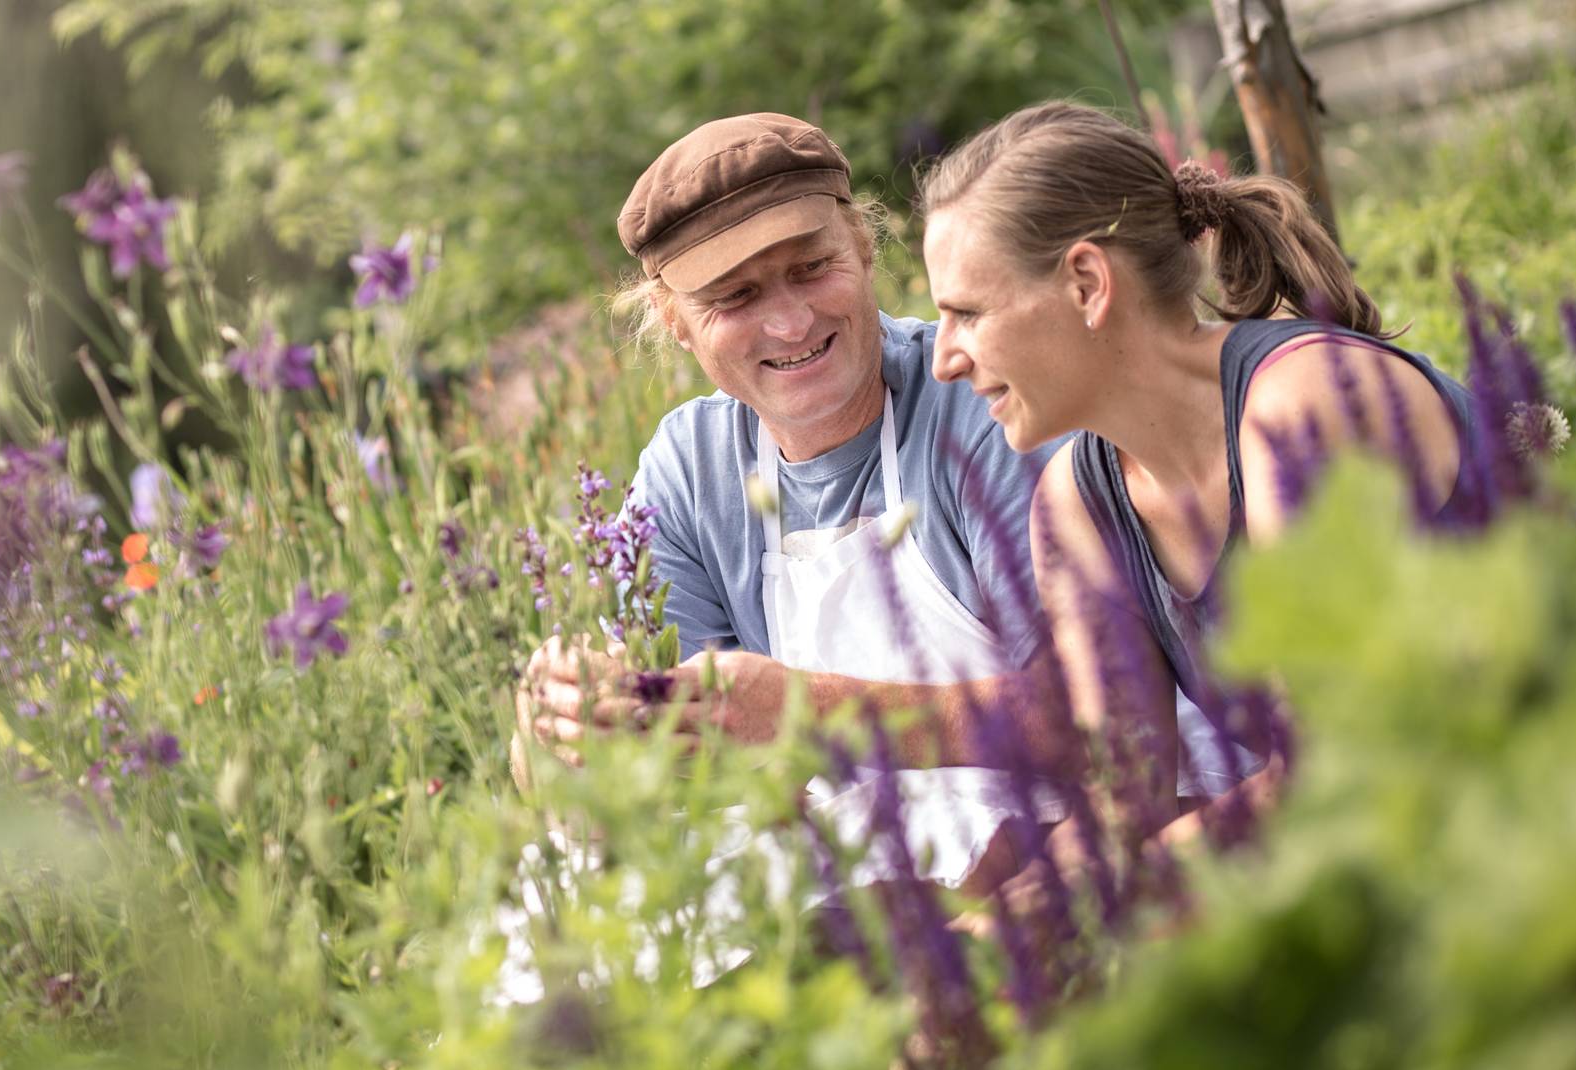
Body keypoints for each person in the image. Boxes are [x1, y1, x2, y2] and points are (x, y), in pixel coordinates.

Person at [513, 113, 1249, 893]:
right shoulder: (689, 471)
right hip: (868, 863)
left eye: (811, 266)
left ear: (863, 247)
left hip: (1078, 835)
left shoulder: (994, 397)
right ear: (675, 323)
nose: (791, 320)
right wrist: (564, 729)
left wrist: (816, 712)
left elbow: (1107, 725)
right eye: (736, 296)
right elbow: (682, 762)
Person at [914, 100, 1479, 887]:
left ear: (1085, 282)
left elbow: (1353, 760)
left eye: (966, 314)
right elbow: (1124, 797)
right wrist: (1009, 926)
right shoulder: (1077, 505)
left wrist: (1097, 903)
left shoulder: (1301, 413)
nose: (944, 359)